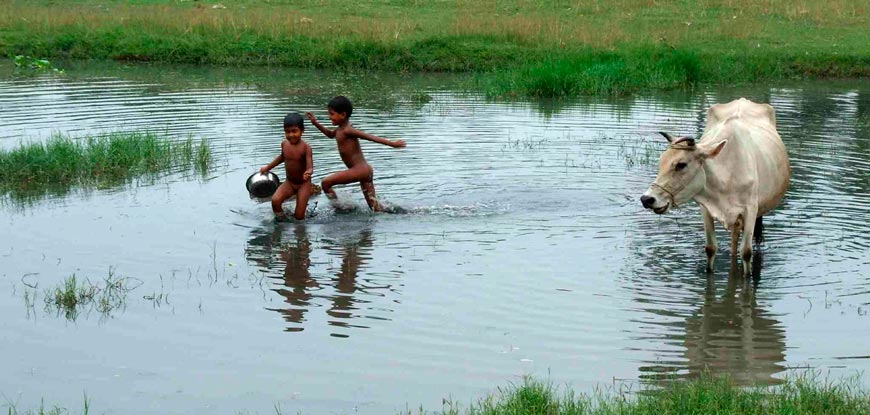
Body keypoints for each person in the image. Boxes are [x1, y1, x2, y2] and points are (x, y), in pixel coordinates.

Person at [306, 96, 406, 212]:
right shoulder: (339, 130)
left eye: (332, 114)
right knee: (375, 208)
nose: (329, 117)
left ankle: (340, 209)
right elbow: (329, 134)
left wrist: (392, 144)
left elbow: (369, 137)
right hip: (365, 171)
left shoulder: (348, 130)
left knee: (326, 183)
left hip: (360, 170)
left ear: (343, 115)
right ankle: (404, 213)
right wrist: (315, 123)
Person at [260, 113, 314, 220]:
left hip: (303, 184)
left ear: (302, 130)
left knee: (299, 216)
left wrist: (309, 171)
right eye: (287, 131)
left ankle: (299, 231)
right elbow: (282, 157)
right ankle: (282, 221)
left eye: (294, 131)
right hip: (289, 182)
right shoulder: (284, 144)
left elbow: (310, 165)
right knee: (275, 201)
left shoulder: (306, 148)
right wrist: (268, 167)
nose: (291, 135)